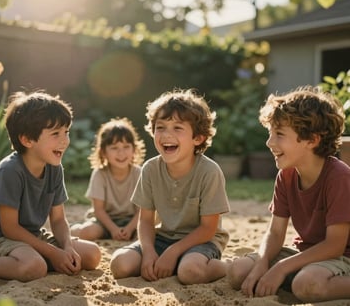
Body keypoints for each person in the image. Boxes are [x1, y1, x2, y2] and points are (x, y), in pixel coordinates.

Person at [228, 86, 350, 303]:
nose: (269, 142)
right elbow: (275, 233)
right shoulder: (286, 175)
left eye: (280, 135)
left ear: (312, 140)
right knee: (238, 271)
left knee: (306, 285)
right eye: (270, 133)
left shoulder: (339, 177)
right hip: (305, 255)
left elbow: (335, 245)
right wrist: (263, 262)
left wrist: (282, 268)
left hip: (341, 259)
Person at [0, 91, 101, 282]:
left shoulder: (54, 168)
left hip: (32, 236)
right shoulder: (9, 171)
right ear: (27, 140)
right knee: (34, 267)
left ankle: (32, 259)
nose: (64, 140)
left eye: (66, 132)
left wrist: (66, 247)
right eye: (55, 134)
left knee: (92, 254)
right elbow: (10, 229)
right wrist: (53, 253)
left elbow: (58, 220)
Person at [110, 89, 230, 285]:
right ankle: (175, 263)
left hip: (201, 242)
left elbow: (208, 229)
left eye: (177, 128)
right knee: (120, 265)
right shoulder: (150, 169)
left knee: (190, 273)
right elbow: (146, 220)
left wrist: (173, 252)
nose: (166, 135)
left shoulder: (209, 171)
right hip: (162, 238)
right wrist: (149, 252)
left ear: (198, 138)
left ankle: (226, 267)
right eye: (161, 127)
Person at [70, 117, 146, 241]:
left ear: (134, 149)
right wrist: (113, 229)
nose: (121, 153)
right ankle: (72, 229)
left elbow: (142, 210)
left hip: (133, 221)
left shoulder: (139, 173)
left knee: (148, 234)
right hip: (105, 221)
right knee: (88, 232)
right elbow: (98, 210)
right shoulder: (100, 174)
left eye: (126, 147)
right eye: (114, 148)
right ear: (103, 152)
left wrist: (130, 228)